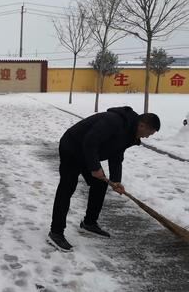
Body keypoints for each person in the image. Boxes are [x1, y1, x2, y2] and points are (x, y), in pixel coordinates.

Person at [48, 106, 160, 252]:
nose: (147, 137)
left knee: (100, 185)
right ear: (142, 125)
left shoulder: (130, 132)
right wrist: (95, 168)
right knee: (67, 187)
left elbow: (116, 156)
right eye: (149, 133)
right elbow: (90, 141)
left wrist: (116, 181)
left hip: (88, 152)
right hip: (72, 146)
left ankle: (89, 223)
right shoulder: (113, 121)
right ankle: (55, 232)